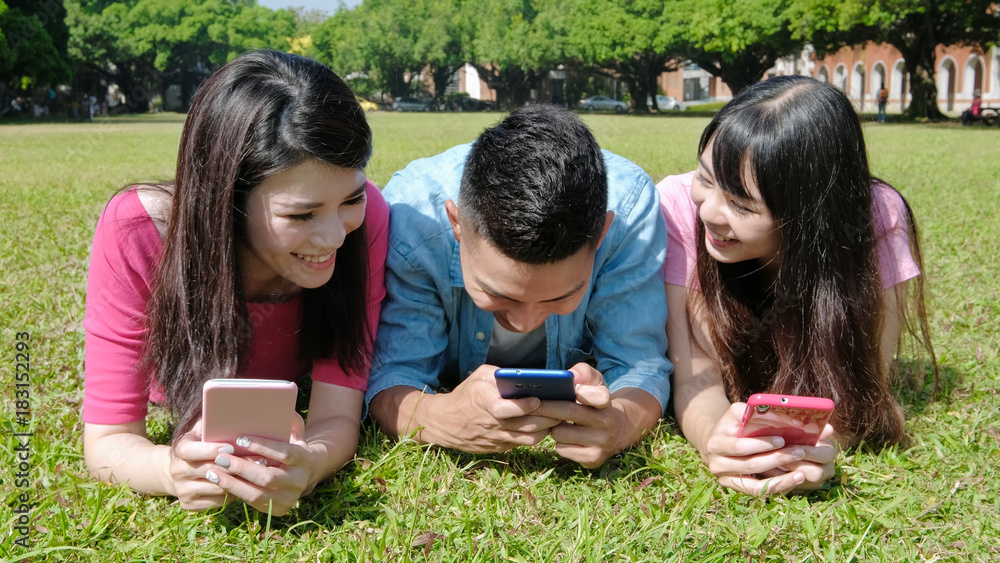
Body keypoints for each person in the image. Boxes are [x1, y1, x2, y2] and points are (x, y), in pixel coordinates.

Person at [82, 50, 389, 515]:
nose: (332, 237)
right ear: (226, 199)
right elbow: (108, 441)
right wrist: (172, 470)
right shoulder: (138, 230)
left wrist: (311, 464)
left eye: (350, 199)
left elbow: (335, 415)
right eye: (300, 214)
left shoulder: (369, 220)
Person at [659, 75, 936, 495]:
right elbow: (696, 379)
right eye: (706, 178)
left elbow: (864, 377)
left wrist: (804, 449)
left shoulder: (876, 215)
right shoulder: (678, 205)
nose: (710, 212)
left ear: (808, 214)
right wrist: (721, 442)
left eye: (741, 204)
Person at [367, 105, 671, 468]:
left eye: (561, 296)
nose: (526, 322)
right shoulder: (413, 216)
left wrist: (620, 423)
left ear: (602, 235)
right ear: (457, 225)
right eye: (499, 294)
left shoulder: (630, 207)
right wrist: (437, 418)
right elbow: (393, 373)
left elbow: (640, 364)